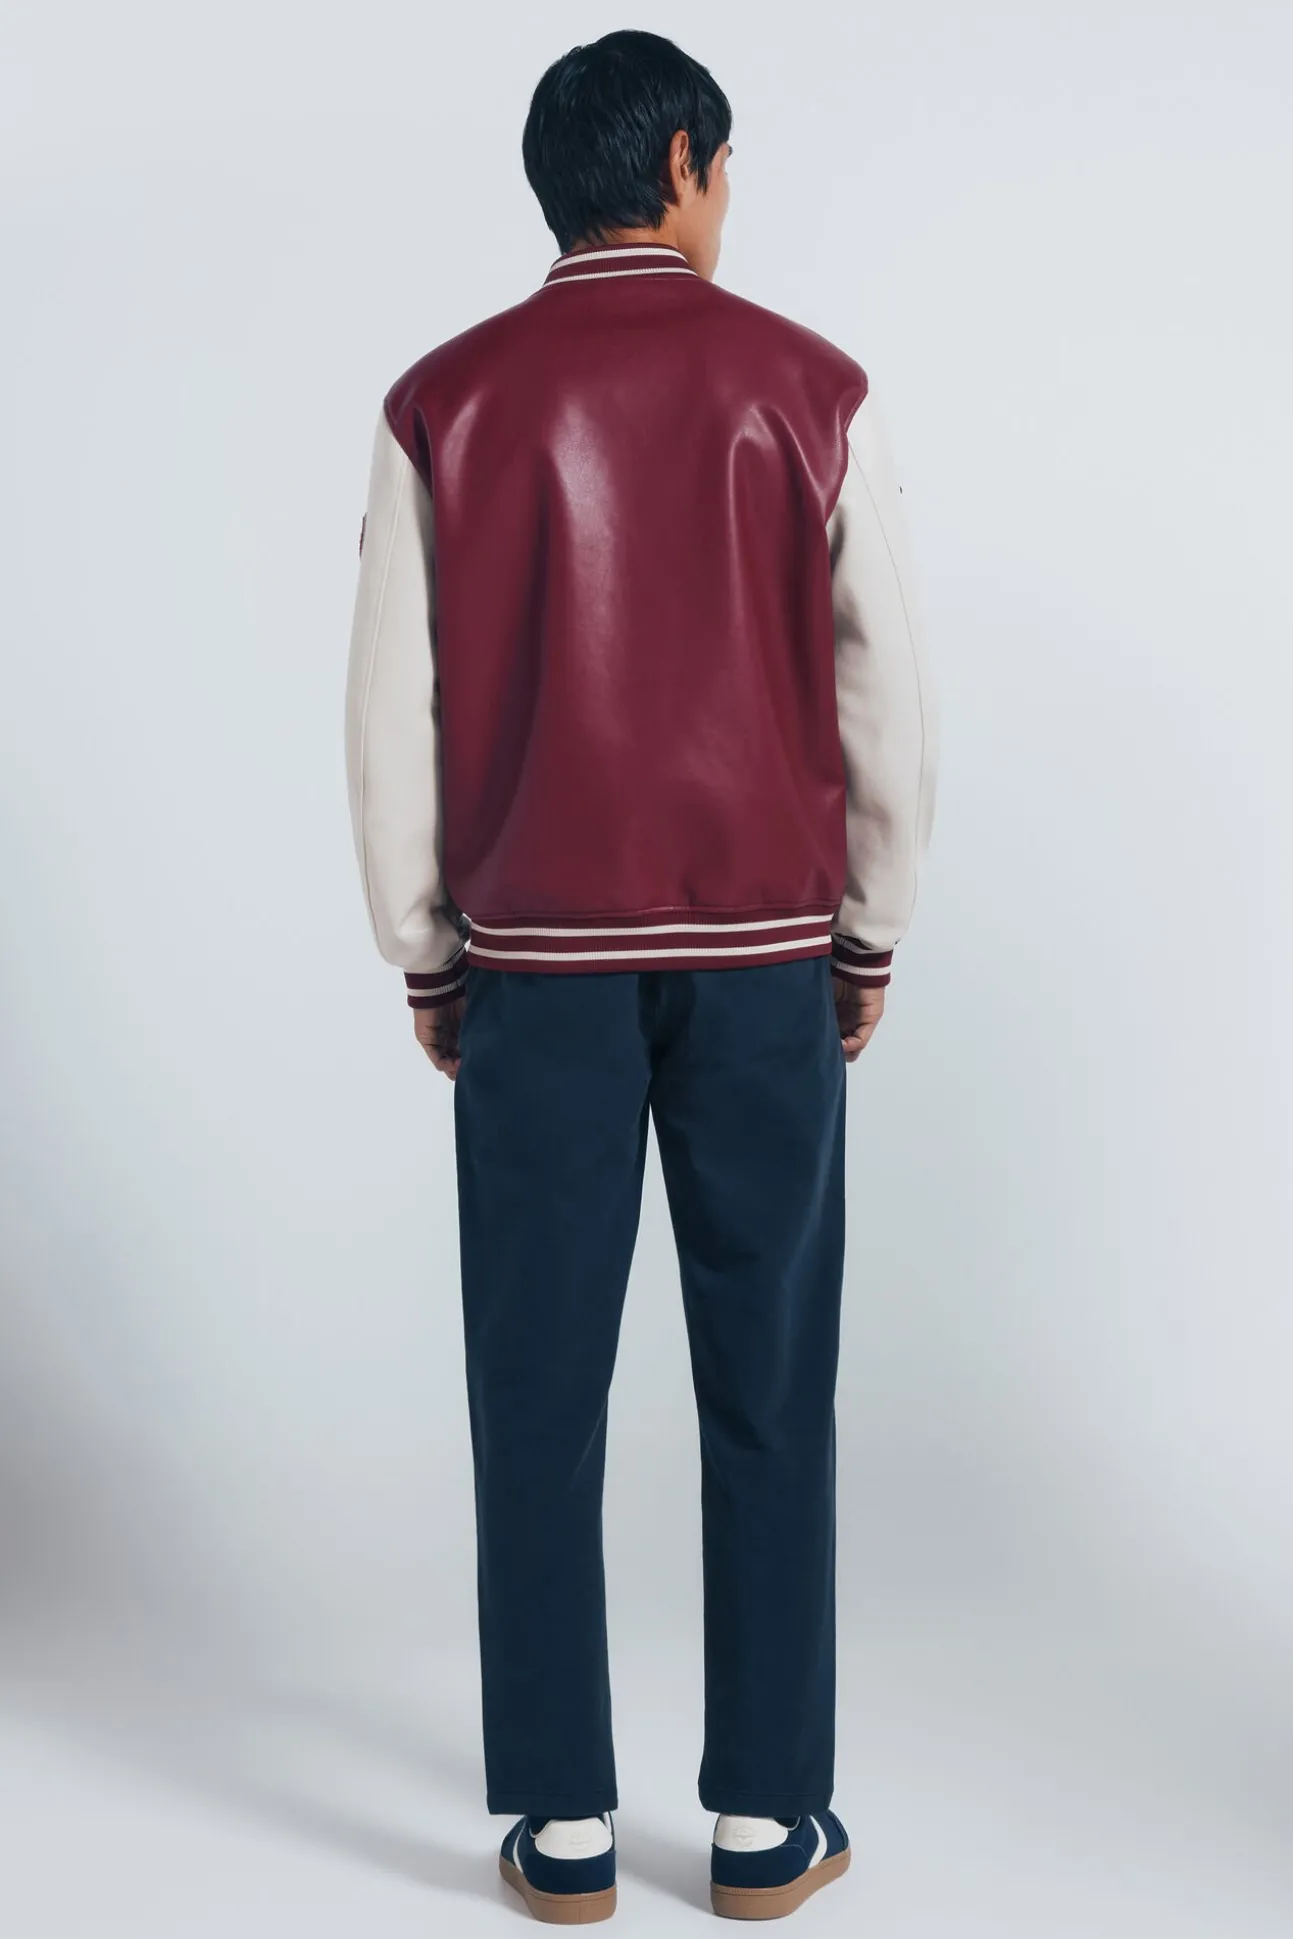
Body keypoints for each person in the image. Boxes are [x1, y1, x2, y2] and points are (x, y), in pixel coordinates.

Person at [344, 27, 937, 1924]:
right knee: (770, 1381)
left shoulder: (444, 402)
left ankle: (564, 1826)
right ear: (678, 159)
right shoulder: (812, 389)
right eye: (726, 164)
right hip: (762, 962)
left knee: (537, 1391)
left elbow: (392, 711)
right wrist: (868, 925)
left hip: (538, 964)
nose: (729, 196)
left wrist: (426, 952)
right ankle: (768, 1820)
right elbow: (887, 692)